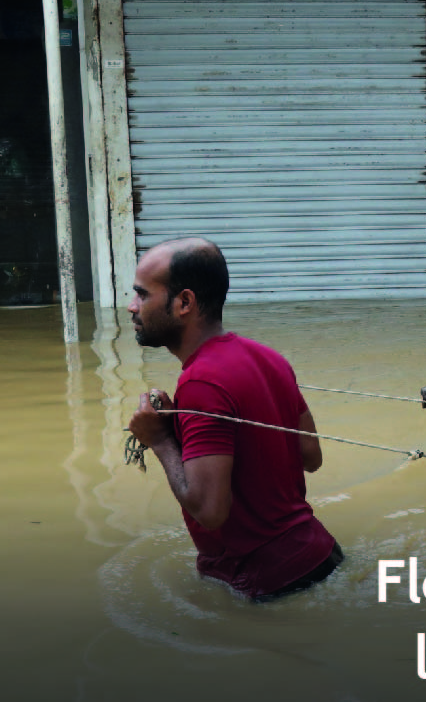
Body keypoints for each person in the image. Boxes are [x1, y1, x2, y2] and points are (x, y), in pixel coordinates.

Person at [126, 238, 342, 603]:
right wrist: (177, 426)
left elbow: (210, 511)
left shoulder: (199, 383)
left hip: (271, 585)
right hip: (322, 555)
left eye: (142, 295)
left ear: (184, 303)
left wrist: (160, 440)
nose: (132, 307)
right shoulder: (269, 358)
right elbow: (311, 456)